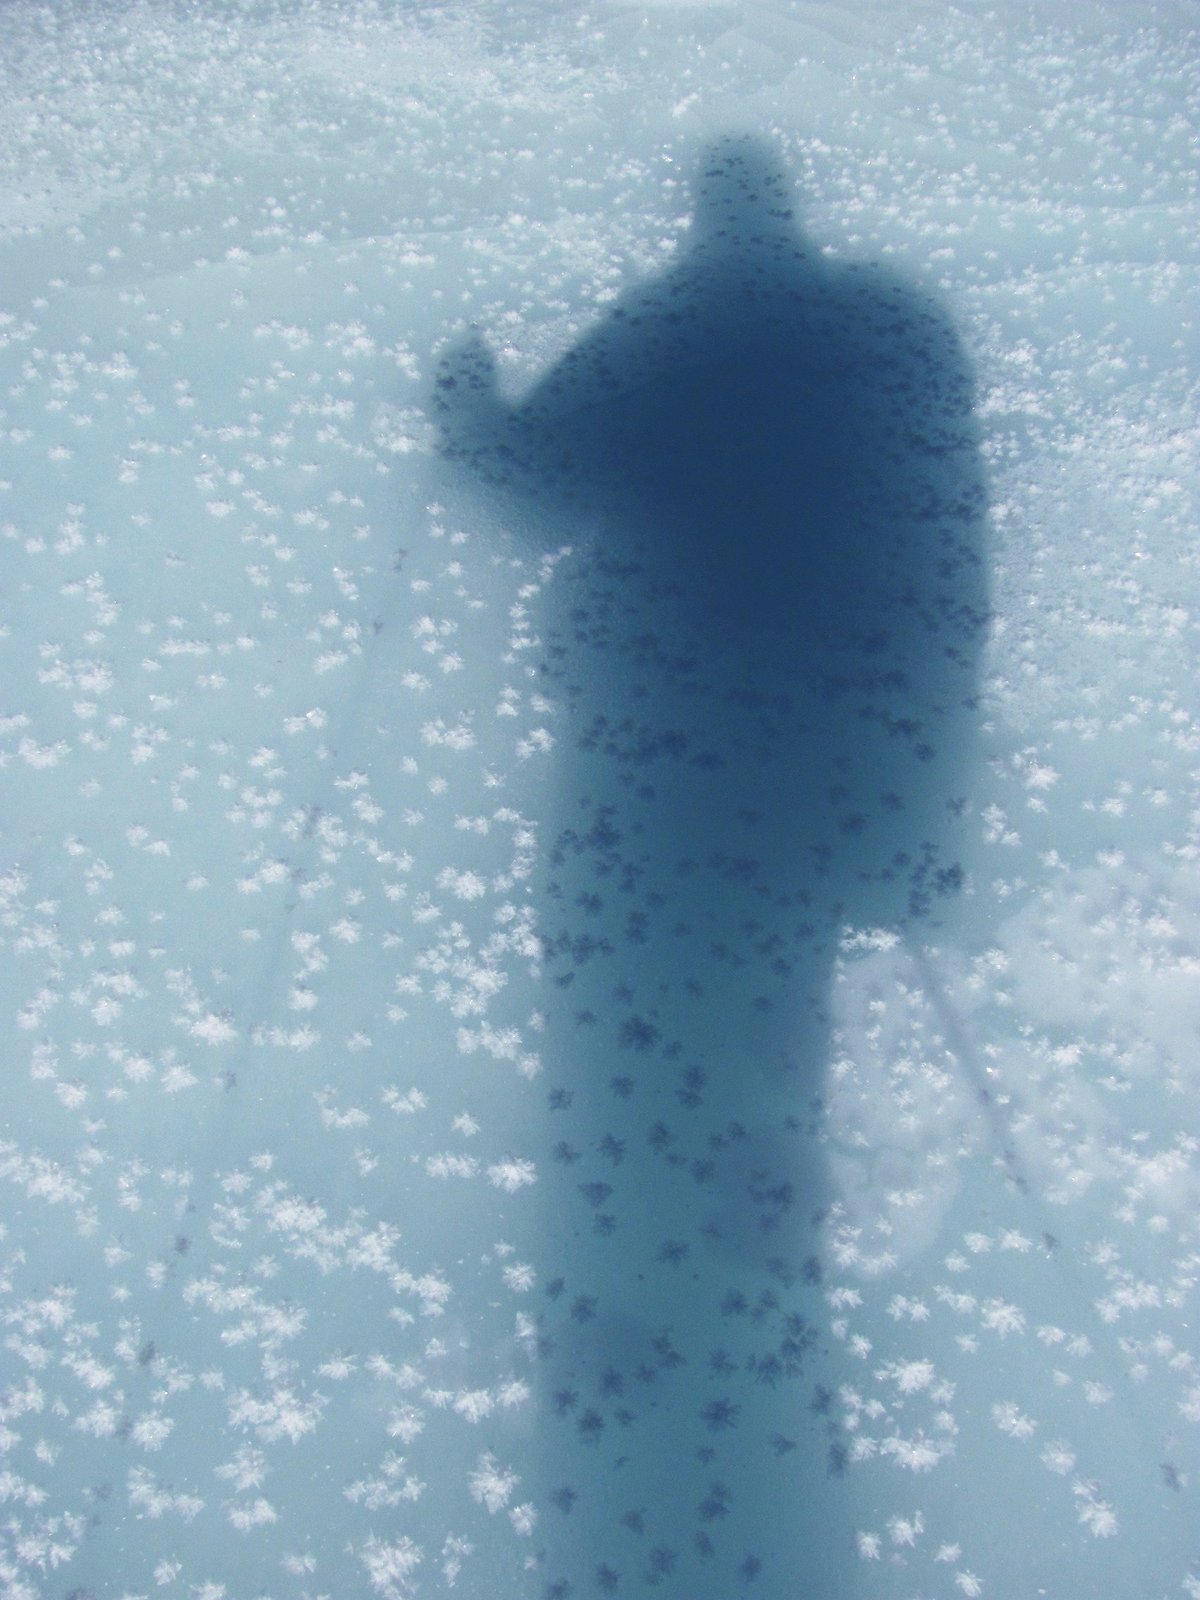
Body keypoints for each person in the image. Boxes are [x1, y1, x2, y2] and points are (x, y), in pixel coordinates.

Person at [435, 132, 989, 1599]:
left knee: (619, 1063)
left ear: (702, 224)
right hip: (806, 769)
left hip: (648, 767)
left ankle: (636, 1383)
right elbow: (949, 577)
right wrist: (918, 808)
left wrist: (462, 406)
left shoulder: (671, 330)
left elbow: (530, 482)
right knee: (769, 1045)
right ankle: (757, 1334)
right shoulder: (889, 341)